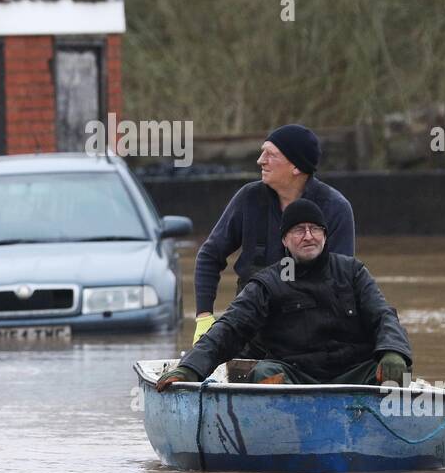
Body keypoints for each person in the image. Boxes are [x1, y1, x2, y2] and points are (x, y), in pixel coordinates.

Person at [156, 199, 409, 390]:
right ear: (285, 241)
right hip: (295, 379)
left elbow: (383, 316)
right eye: (299, 230)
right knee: (262, 373)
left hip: (352, 375)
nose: (308, 236)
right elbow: (229, 328)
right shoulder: (268, 282)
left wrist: (393, 351)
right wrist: (190, 368)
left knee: (396, 368)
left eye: (315, 229)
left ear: (324, 235)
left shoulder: (352, 271)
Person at [192, 124, 355, 346]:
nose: (260, 160)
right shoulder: (248, 198)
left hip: (309, 329)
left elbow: (340, 282)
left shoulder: (336, 208)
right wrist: (204, 316)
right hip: (249, 324)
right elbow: (210, 256)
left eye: (270, 154)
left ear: (296, 167)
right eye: (262, 152)